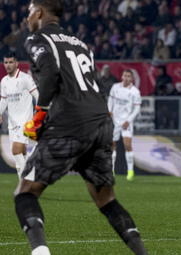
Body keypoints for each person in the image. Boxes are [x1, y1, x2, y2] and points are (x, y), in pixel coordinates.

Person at [16, 1, 147, 255]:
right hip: (100, 122)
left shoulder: (37, 38)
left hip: (70, 122)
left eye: (30, 10)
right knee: (107, 200)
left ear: (40, 12)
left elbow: (51, 70)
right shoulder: (80, 43)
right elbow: (94, 84)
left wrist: (40, 113)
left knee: (25, 193)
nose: (28, 15)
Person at [0, 52, 38, 178]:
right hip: (12, 123)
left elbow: (37, 96)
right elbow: (4, 100)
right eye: (6, 62)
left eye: (11, 62)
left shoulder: (25, 78)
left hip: (25, 121)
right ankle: (31, 177)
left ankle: (26, 182)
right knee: (20, 154)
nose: (8, 65)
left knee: (15, 151)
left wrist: (39, 113)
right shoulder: (4, 81)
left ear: (16, 63)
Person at [107, 69, 141, 181]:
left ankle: (130, 171)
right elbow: (110, 100)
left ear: (131, 79)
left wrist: (129, 120)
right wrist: (109, 110)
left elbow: (137, 108)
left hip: (126, 121)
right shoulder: (115, 87)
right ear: (122, 76)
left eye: (128, 76)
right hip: (115, 120)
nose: (126, 78)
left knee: (127, 145)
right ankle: (111, 170)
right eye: (125, 75)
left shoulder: (135, 91)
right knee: (112, 144)